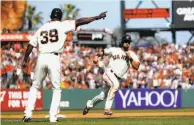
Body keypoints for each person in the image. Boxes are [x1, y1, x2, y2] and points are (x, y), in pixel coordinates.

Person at [22, 8, 107, 122]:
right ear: (60, 16)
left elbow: (30, 45)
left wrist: (25, 59)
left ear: (51, 16)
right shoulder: (61, 25)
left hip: (42, 57)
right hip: (53, 57)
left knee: (35, 86)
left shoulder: (42, 28)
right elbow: (81, 20)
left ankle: (27, 114)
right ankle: (52, 117)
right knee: (56, 88)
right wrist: (96, 17)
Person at [82, 35, 140, 115]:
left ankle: (88, 105)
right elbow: (102, 51)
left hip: (116, 77)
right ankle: (107, 109)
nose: (127, 44)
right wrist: (96, 56)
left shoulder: (131, 54)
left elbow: (136, 66)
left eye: (129, 42)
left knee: (102, 96)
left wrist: (130, 58)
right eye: (126, 42)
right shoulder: (115, 50)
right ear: (122, 42)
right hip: (109, 73)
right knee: (116, 85)